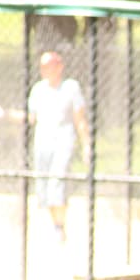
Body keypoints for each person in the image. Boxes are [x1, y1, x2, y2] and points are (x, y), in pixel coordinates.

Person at [27, 50, 89, 243]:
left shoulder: (70, 88)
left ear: (60, 67)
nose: (46, 70)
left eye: (51, 66)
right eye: (43, 67)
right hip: (42, 143)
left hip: (63, 141)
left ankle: (60, 227)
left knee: (57, 181)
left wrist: (86, 145)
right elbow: (30, 119)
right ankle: (56, 225)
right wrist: (2, 114)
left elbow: (80, 119)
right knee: (44, 186)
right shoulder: (38, 90)